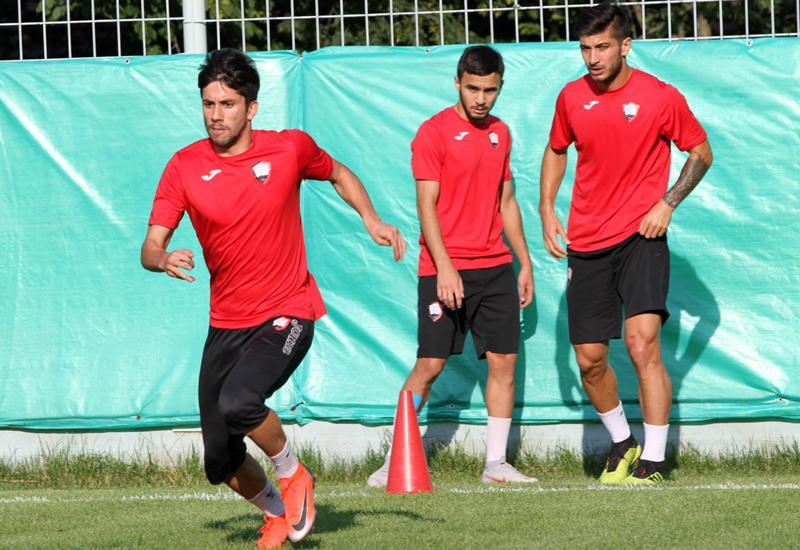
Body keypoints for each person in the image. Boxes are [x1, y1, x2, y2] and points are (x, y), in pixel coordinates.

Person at [140, 48, 406, 548]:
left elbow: (339, 173)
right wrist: (162, 258)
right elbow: (149, 247)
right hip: (226, 324)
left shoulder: (289, 150)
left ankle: (293, 473)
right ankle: (278, 513)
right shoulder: (184, 166)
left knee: (240, 402)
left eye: (228, 104)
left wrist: (371, 219)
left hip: (288, 311)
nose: (216, 115)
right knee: (219, 461)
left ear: (252, 108)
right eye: (208, 104)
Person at [539, 2, 713, 484]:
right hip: (586, 242)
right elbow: (556, 150)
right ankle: (622, 443)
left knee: (641, 344)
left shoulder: (660, 97)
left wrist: (668, 203)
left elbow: (701, 151)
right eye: (585, 49)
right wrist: (547, 208)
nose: (592, 58)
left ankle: (653, 461)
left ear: (626, 46)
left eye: (602, 47)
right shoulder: (571, 97)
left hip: (641, 238)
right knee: (589, 359)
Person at [368, 45, 536, 487]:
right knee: (430, 364)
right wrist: (445, 267)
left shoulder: (501, 133)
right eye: (473, 88)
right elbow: (426, 205)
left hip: (495, 267)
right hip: (444, 268)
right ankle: (393, 461)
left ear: (500, 87)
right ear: (457, 83)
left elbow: (507, 201)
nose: (481, 99)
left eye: (490, 90)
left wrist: (524, 262)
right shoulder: (434, 132)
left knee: (504, 362)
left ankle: (496, 465)